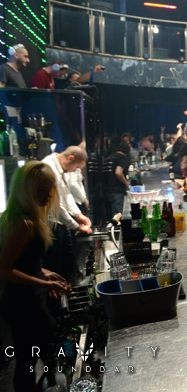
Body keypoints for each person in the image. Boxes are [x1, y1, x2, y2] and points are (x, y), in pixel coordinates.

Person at [0, 161, 71, 391]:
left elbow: (25, 261)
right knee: (28, 360)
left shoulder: (18, 217)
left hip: (24, 298)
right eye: (41, 190)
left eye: (49, 190)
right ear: (25, 191)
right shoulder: (24, 223)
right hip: (21, 301)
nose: (47, 196)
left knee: (31, 356)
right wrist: (43, 282)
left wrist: (45, 273)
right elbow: (4, 269)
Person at [42, 146, 92, 281]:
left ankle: (67, 286)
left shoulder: (60, 167)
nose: (75, 170)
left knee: (68, 259)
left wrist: (78, 215)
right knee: (55, 264)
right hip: (50, 223)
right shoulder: (48, 168)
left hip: (60, 222)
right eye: (77, 167)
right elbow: (55, 206)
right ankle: (57, 290)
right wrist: (77, 226)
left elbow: (66, 194)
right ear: (71, 158)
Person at [103, 141, 130, 218]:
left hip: (106, 191)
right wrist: (126, 183)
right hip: (117, 191)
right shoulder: (122, 158)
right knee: (117, 218)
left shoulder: (108, 158)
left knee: (109, 219)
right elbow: (118, 172)